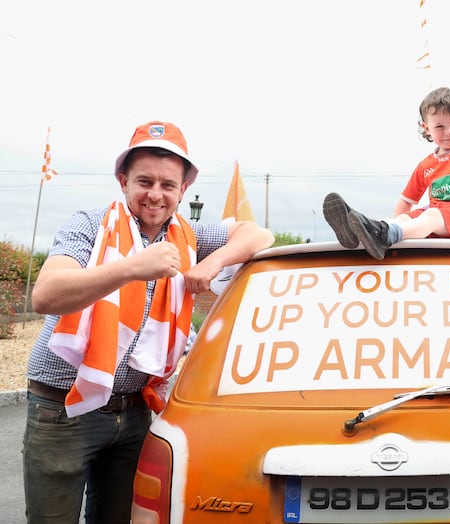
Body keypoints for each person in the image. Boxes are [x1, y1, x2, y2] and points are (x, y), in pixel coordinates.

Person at [23, 120, 274, 523]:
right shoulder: (89, 225)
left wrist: (212, 263)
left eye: (167, 185)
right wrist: (131, 268)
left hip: (134, 408)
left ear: (182, 190)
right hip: (61, 405)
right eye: (144, 181)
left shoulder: (186, 236)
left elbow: (258, 235)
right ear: (123, 181)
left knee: (121, 517)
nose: (155, 195)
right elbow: (46, 294)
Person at [323, 86, 450, 260]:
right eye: (439, 127)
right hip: (439, 220)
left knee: (431, 214)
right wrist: (398, 222)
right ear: (426, 128)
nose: (449, 132)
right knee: (406, 218)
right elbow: (407, 201)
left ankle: (384, 234)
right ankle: (362, 231)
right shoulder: (426, 165)